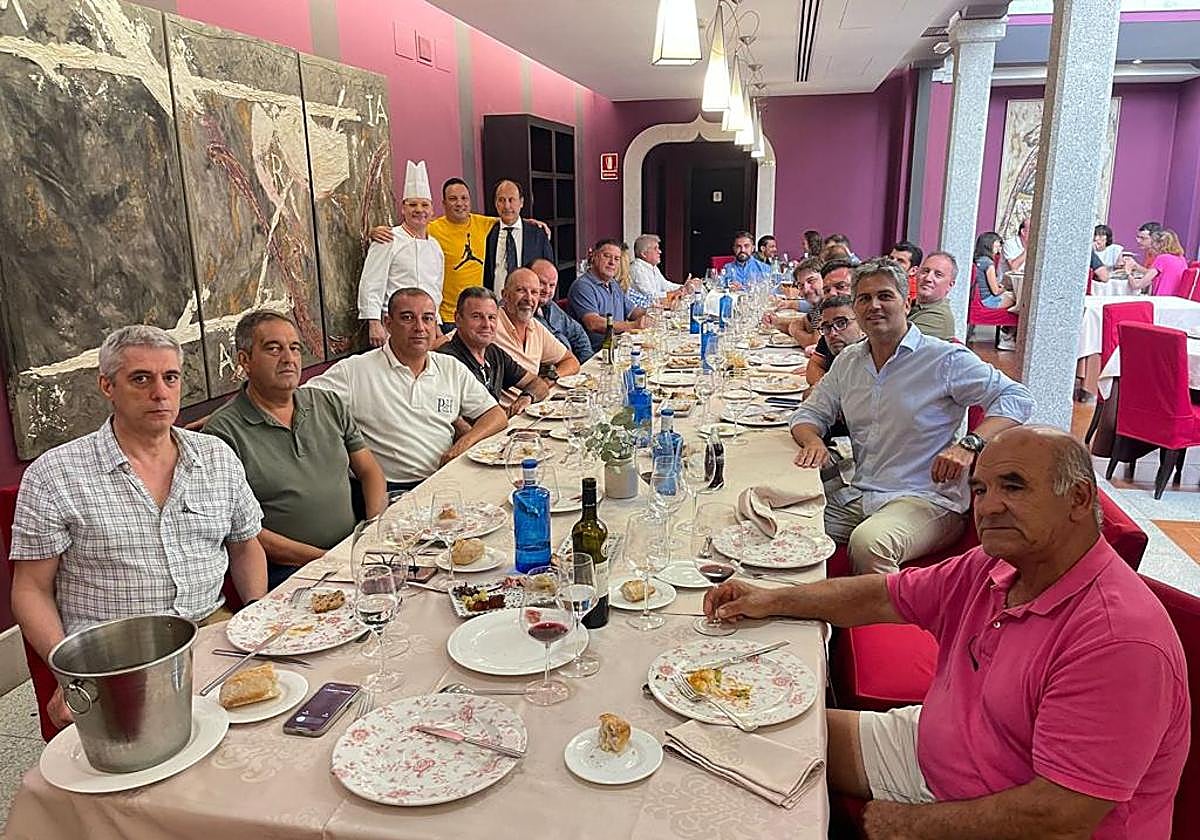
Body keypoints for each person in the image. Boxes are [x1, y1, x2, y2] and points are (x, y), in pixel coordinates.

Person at [705, 427, 1188, 840]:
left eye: (1014, 487)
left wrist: (914, 825)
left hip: (1021, 819)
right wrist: (770, 597)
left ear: (1079, 498)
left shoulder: (1117, 640)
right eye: (980, 489)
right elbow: (881, 596)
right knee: (737, 735)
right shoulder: (997, 565)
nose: (990, 506)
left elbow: (1063, 816)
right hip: (939, 749)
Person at [10, 325, 268, 728]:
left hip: (214, 632)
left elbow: (245, 544)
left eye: (170, 377)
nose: (160, 393)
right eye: (141, 379)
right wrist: (71, 671)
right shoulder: (55, 475)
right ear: (107, 386)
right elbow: (30, 589)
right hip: (115, 658)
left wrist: (254, 614)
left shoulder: (216, 457)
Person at [790, 259, 1034, 574]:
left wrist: (970, 444)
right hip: (864, 492)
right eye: (864, 298)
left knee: (869, 542)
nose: (874, 305)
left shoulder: (943, 359)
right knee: (790, 525)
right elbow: (809, 413)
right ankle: (805, 613)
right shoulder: (849, 361)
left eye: (885, 296)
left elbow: (1018, 397)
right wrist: (813, 441)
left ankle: (884, 617)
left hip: (927, 499)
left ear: (907, 303)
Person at [204, 312, 387, 590]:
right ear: (244, 361)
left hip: (352, 547)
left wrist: (373, 530)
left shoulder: (327, 403)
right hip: (288, 571)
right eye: (273, 348)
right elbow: (244, 533)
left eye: (294, 348)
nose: (288, 358)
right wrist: (326, 560)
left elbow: (369, 470)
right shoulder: (222, 433)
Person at [305, 288, 507, 488]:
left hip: (443, 481)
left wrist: (463, 445)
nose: (420, 327)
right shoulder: (355, 370)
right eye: (408, 318)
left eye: (427, 318)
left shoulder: (450, 367)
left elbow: (496, 415)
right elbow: (299, 402)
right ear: (388, 323)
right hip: (387, 491)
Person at [369, 178, 553, 324]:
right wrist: (375, 232)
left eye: (464, 198)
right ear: (442, 204)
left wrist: (531, 223)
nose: (506, 205)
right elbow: (410, 230)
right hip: (449, 315)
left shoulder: (485, 224)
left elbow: (511, 220)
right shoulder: (431, 229)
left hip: (496, 311)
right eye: (453, 199)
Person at [358, 160, 445, 347]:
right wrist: (374, 322)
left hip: (427, 325)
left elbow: (436, 290)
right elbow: (371, 282)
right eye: (413, 205)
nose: (419, 210)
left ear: (432, 211)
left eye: (424, 205)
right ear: (403, 209)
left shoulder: (435, 247)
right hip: (396, 323)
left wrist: (437, 325)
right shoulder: (388, 238)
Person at [438, 286, 548, 415]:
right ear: (458, 319)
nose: (486, 324)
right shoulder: (445, 361)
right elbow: (453, 419)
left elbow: (538, 384)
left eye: (491, 317)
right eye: (476, 317)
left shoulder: (493, 352)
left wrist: (527, 397)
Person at [493, 268, 580, 402]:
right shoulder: (490, 323)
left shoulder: (535, 327)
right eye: (521, 290)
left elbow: (571, 361)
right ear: (505, 295)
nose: (528, 298)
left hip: (533, 406)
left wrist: (550, 378)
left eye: (534, 292)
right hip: (506, 416)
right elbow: (452, 341)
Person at [568, 238, 647, 350]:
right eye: (607, 256)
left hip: (619, 347)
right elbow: (593, 323)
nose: (612, 262)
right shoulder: (583, 286)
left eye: (616, 259)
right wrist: (632, 326)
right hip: (596, 354)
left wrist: (655, 312)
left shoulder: (613, 283)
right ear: (595, 256)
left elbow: (632, 312)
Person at [481, 179, 554, 295]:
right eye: (501, 200)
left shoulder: (538, 235)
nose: (506, 206)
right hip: (497, 303)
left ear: (521, 202)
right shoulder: (488, 234)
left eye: (511, 200)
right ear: (496, 204)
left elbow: (549, 275)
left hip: (528, 304)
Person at [799, 257, 856, 386]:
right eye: (827, 290)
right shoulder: (831, 324)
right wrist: (824, 392)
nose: (832, 294)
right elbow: (815, 365)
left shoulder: (869, 326)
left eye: (840, 286)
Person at [530, 257, 593, 362]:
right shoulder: (523, 312)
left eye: (552, 285)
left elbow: (578, 334)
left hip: (572, 369)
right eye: (542, 283)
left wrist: (586, 364)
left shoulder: (550, 306)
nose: (547, 290)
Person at [772, 258, 824, 348]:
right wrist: (775, 322)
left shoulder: (830, 305)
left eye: (811, 281)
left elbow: (816, 343)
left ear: (825, 279)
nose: (806, 289)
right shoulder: (817, 306)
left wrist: (795, 331)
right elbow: (803, 323)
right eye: (801, 285)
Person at [907, 251, 958, 341]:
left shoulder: (938, 318)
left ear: (950, 285)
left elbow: (894, 347)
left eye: (938, 275)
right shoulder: (913, 304)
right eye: (925, 271)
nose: (928, 278)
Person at [629, 234, 689, 305]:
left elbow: (665, 285)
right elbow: (650, 296)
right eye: (655, 248)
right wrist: (674, 292)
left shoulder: (653, 267)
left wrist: (684, 287)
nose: (659, 252)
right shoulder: (637, 269)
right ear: (644, 254)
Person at [1125, 228, 1188, 296]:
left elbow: (1137, 285)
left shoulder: (1162, 259)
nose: (1152, 246)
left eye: (1153, 243)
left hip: (1161, 301)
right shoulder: (1182, 259)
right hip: (1176, 300)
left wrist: (1128, 272)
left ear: (1159, 244)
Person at [973, 231, 1016, 311]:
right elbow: (995, 291)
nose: (999, 246)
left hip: (981, 298)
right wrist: (1005, 287)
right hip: (989, 301)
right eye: (997, 243)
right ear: (989, 243)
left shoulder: (978, 260)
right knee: (1018, 298)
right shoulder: (988, 263)